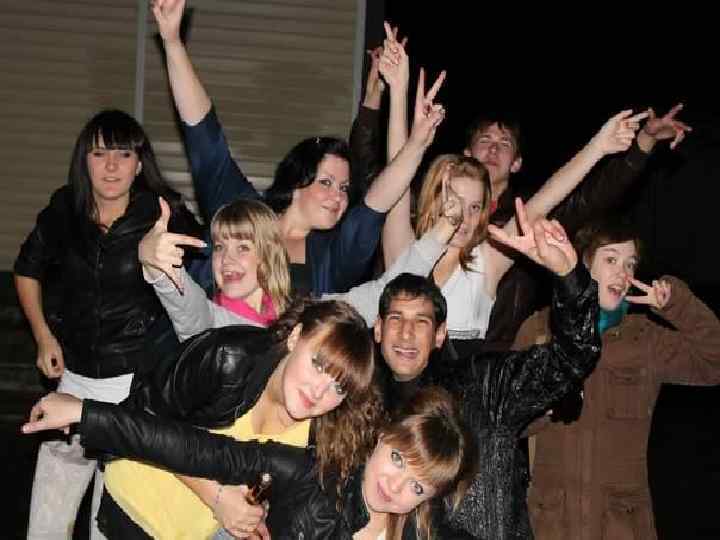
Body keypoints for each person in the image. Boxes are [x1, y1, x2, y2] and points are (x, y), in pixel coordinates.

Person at [148, 0, 446, 297]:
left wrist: (415, 139)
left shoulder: (335, 254)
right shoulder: (245, 215)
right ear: (296, 184)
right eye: (326, 182)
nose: (338, 197)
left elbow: (377, 203)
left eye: (344, 188)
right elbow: (203, 135)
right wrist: (172, 42)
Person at [14, 108, 201, 539]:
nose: (111, 166)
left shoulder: (163, 212)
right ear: (84, 161)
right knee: (46, 525)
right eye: (99, 154)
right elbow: (27, 269)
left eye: (123, 154)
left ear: (139, 163)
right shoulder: (65, 208)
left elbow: (206, 276)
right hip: (73, 381)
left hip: (134, 390)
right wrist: (43, 337)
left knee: (110, 527)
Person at [75, 298, 377, 539]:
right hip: (129, 502)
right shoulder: (228, 357)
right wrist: (215, 495)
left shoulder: (319, 441)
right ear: (295, 337)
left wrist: (256, 520)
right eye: (318, 364)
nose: (319, 390)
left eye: (339, 387)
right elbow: (143, 415)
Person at [23, 386, 474, 540]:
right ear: (381, 438)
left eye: (417, 487)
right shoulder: (310, 476)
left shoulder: (422, 532)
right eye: (397, 460)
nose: (396, 487)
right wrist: (88, 413)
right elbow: (196, 449)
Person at [513, 219, 720, 539]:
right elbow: (508, 419)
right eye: (611, 260)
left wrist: (677, 305)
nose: (623, 274)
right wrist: (550, 403)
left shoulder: (644, 339)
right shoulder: (540, 331)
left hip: (621, 527)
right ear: (581, 265)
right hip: (552, 525)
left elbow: (713, 362)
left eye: (630, 264)